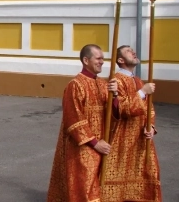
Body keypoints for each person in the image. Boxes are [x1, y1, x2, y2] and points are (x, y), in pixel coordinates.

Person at [47, 44, 118, 202]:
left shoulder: (103, 84)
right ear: (86, 60)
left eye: (103, 58)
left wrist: (116, 95)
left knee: (98, 185)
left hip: (103, 143)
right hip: (82, 146)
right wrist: (94, 142)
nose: (102, 62)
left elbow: (113, 113)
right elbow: (73, 118)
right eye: (98, 58)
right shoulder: (75, 85)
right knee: (84, 185)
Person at [101, 45, 161, 201]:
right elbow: (121, 110)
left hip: (141, 139)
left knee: (148, 174)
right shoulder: (116, 80)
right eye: (128, 51)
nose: (134, 52)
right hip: (123, 138)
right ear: (120, 60)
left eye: (133, 50)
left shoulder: (139, 81)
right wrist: (142, 93)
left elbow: (150, 110)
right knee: (119, 175)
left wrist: (151, 127)